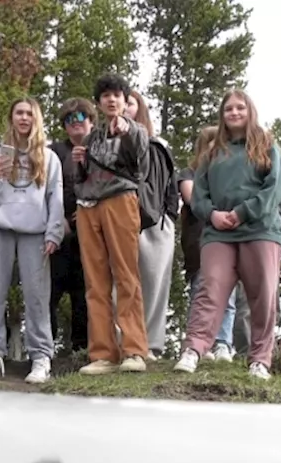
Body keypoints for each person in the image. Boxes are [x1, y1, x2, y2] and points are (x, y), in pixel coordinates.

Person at [173, 89, 281, 380]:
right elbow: (199, 194)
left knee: (263, 293)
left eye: (240, 108)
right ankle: (194, 349)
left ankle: (260, 359)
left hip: (259, 229)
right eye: (228, 109)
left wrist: (244, 212)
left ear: (250, 110)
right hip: (219, 231)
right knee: (209, 288)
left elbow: (275, 189)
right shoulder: (213, 152)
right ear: (222, 115)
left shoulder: (267, 145)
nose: (234, 113)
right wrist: (212, 214)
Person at [0, 98, 64, 385]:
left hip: (35, 231)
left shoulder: (49, 158)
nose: (23, 118)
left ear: (36, 119)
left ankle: (40, 355)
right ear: (11, 118)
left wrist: (54, 232)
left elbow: (55, 198)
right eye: (18, 113)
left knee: (37, 295)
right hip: (0, 228)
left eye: (29, 113)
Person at [68, 75, 150, 375]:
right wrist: (79, 160)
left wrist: (127, 134)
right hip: (89, 207)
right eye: (106, 96)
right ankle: (103, 353)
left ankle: (134, 350)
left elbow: (142, 169)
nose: (112, 100)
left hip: (120, 201)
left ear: (125, 100)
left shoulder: (136, 130)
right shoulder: (92, 137)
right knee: (95, 282)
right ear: (100, 102)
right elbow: (80, 180)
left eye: (117, 95)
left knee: (126, 276)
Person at [125, 90, 179, 359]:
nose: (124, 107)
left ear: (140, 108)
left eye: (130, 103)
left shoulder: (157, 144)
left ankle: (150, 346)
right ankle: (123, 344)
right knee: (120, 283)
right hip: (121, 221)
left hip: (156, 224)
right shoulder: (103, 145)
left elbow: (170, 185)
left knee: (154, 283)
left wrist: (169, 217)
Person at [178, 126, 238, 362]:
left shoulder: (234, 175)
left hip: (228, 239)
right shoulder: (189, 173)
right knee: (201, 291)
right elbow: (192, 199)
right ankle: (198, 344)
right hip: (199, 242)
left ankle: (223, 342)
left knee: (228, 295)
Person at [47, 98, 94, 355]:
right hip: (60, 232)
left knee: (84, 296)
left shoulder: (101, 147)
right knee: (49, 293)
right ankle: (45, 349)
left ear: (91, 121)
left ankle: (81, 349)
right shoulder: (54, 151)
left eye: (80, 118)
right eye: (69, 120)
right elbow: (47, 189)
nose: (75, 124)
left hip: (91, 233)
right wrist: (59, 219)